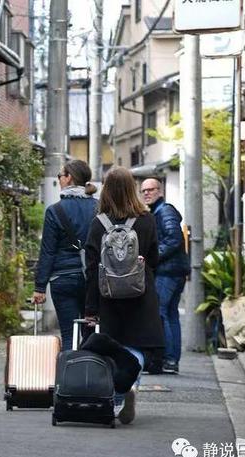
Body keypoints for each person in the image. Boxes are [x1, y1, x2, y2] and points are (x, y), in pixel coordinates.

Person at [84, 167, 163, 425]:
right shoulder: (146, 219)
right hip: (140, 293)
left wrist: (90, 307)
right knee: (137, 346)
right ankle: (128, 386)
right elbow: (154, 259)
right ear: (132, 188)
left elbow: (91, 267)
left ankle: (120, 392)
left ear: (106, 191)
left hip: (108, 296)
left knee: (115, 346)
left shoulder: (99, 223)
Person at [33, 159, 98, 350]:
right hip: (92, 278)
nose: (59, 179)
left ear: (69, 178)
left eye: (60, 175)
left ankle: (69, 376)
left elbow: (48, 251)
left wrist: (40, 287)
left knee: (69, 334)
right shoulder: (99, 207)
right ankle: (89, 374)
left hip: (63, 278)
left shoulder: (55, 211)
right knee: (91, 333)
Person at [140, 177, 190, 374]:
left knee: (162, 312)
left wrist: (153, 255)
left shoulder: (165, 210)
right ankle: (171, 359)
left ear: (160, 191)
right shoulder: (158, 211)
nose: (147, 193)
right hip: (173, 270)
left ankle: (168, 359)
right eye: (144, 191)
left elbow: (174, 238)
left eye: (151, 190)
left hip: (169, 271)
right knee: (170, 314)